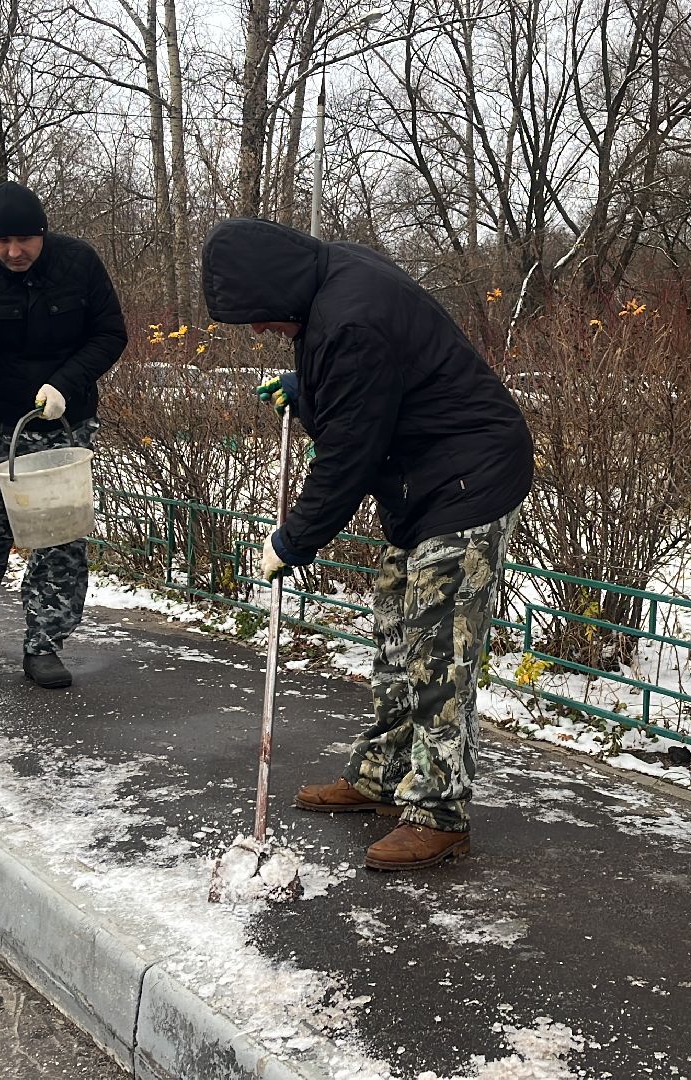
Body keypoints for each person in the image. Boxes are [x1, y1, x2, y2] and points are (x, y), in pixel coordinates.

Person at [200, 218, 534, 871]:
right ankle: (383, 774)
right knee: (393, 635)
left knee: (439, 652)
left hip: (468, 477)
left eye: (259, 318)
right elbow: (366, 390)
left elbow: (349, 455)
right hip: (423, 480)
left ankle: (440, 814)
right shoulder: (329, 285)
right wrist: (308, 389)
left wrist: (294, 539)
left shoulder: (349, 318)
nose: (261, 332)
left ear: (278, 290)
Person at [0, 181, 128, 689]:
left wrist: (66, 382)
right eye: (2, 242)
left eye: (25, 241)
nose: (14, 252)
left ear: (43, 233)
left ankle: (45, 643)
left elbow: (111, 334)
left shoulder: (79, 264)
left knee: (59, 535)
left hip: (64, 423)